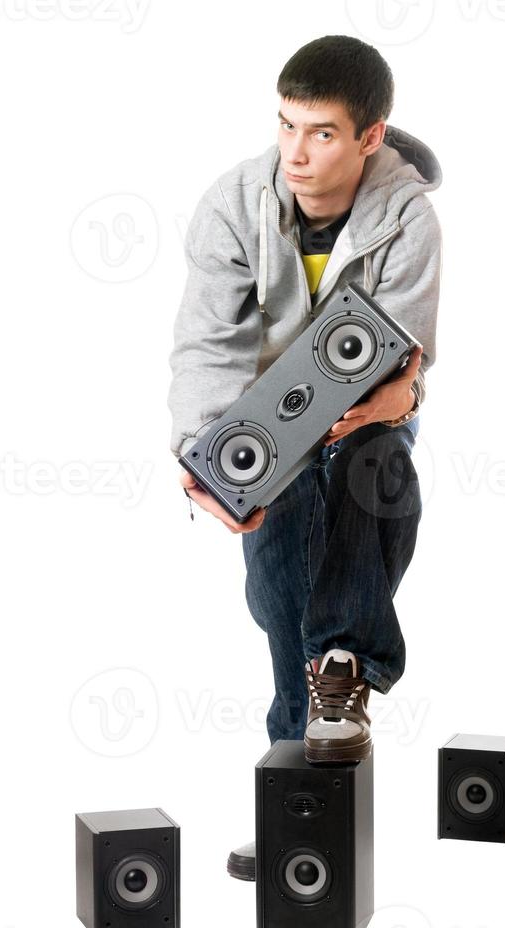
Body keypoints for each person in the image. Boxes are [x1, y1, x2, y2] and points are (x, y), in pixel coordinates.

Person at [167, 34, 443, 881]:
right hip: (265, 432)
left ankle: (347, 664)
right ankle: (305, 801)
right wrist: (202, 459)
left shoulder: (407, 217)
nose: (294, 151)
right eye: (285, 125)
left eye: (321, 132)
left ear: (371, 136)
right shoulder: (230, 205)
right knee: (281, 598)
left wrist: (405, 395)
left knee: (374, 464)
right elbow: (208, 349)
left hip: (363, 416)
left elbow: (405, 360)